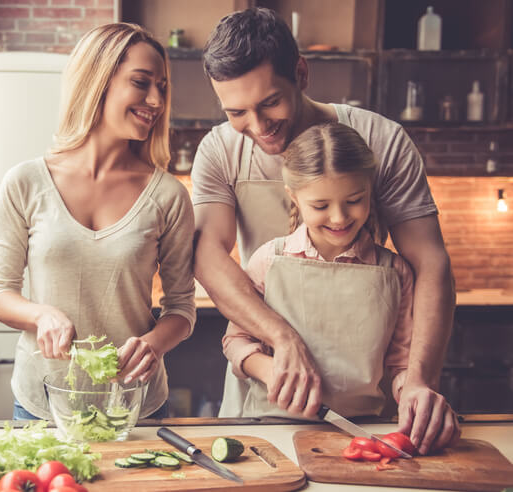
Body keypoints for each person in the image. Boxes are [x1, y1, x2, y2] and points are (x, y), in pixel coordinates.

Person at [192, 8, 457, 454]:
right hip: (266, 400)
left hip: (367, 411)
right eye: (237, 111)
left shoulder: (383, 141)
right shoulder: (219, 150)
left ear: (301, 72)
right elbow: (206, 256)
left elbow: (430, 263)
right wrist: (280, 338)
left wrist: (417, 382)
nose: (257, 127)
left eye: (270, 102)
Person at [0, 23, 196, 421]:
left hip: (134, 405)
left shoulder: (168, 195)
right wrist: (40, 315)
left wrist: (154, 343)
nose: (155, 100)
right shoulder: (26, 182)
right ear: (98, 81)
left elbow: (182, 309)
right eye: (141, 82)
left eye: (162, 87)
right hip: (44, 404)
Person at [224, 122, 422, 423]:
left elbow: (402, 363)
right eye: (320, 205)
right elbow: (235, 340)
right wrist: (268, 368)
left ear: (369, 189)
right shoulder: (268, 260)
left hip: (364, 429)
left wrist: (411, 392)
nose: (339, 217)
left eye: (354, 201)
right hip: (275, 426)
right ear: (294, 198)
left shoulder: (396, 272)